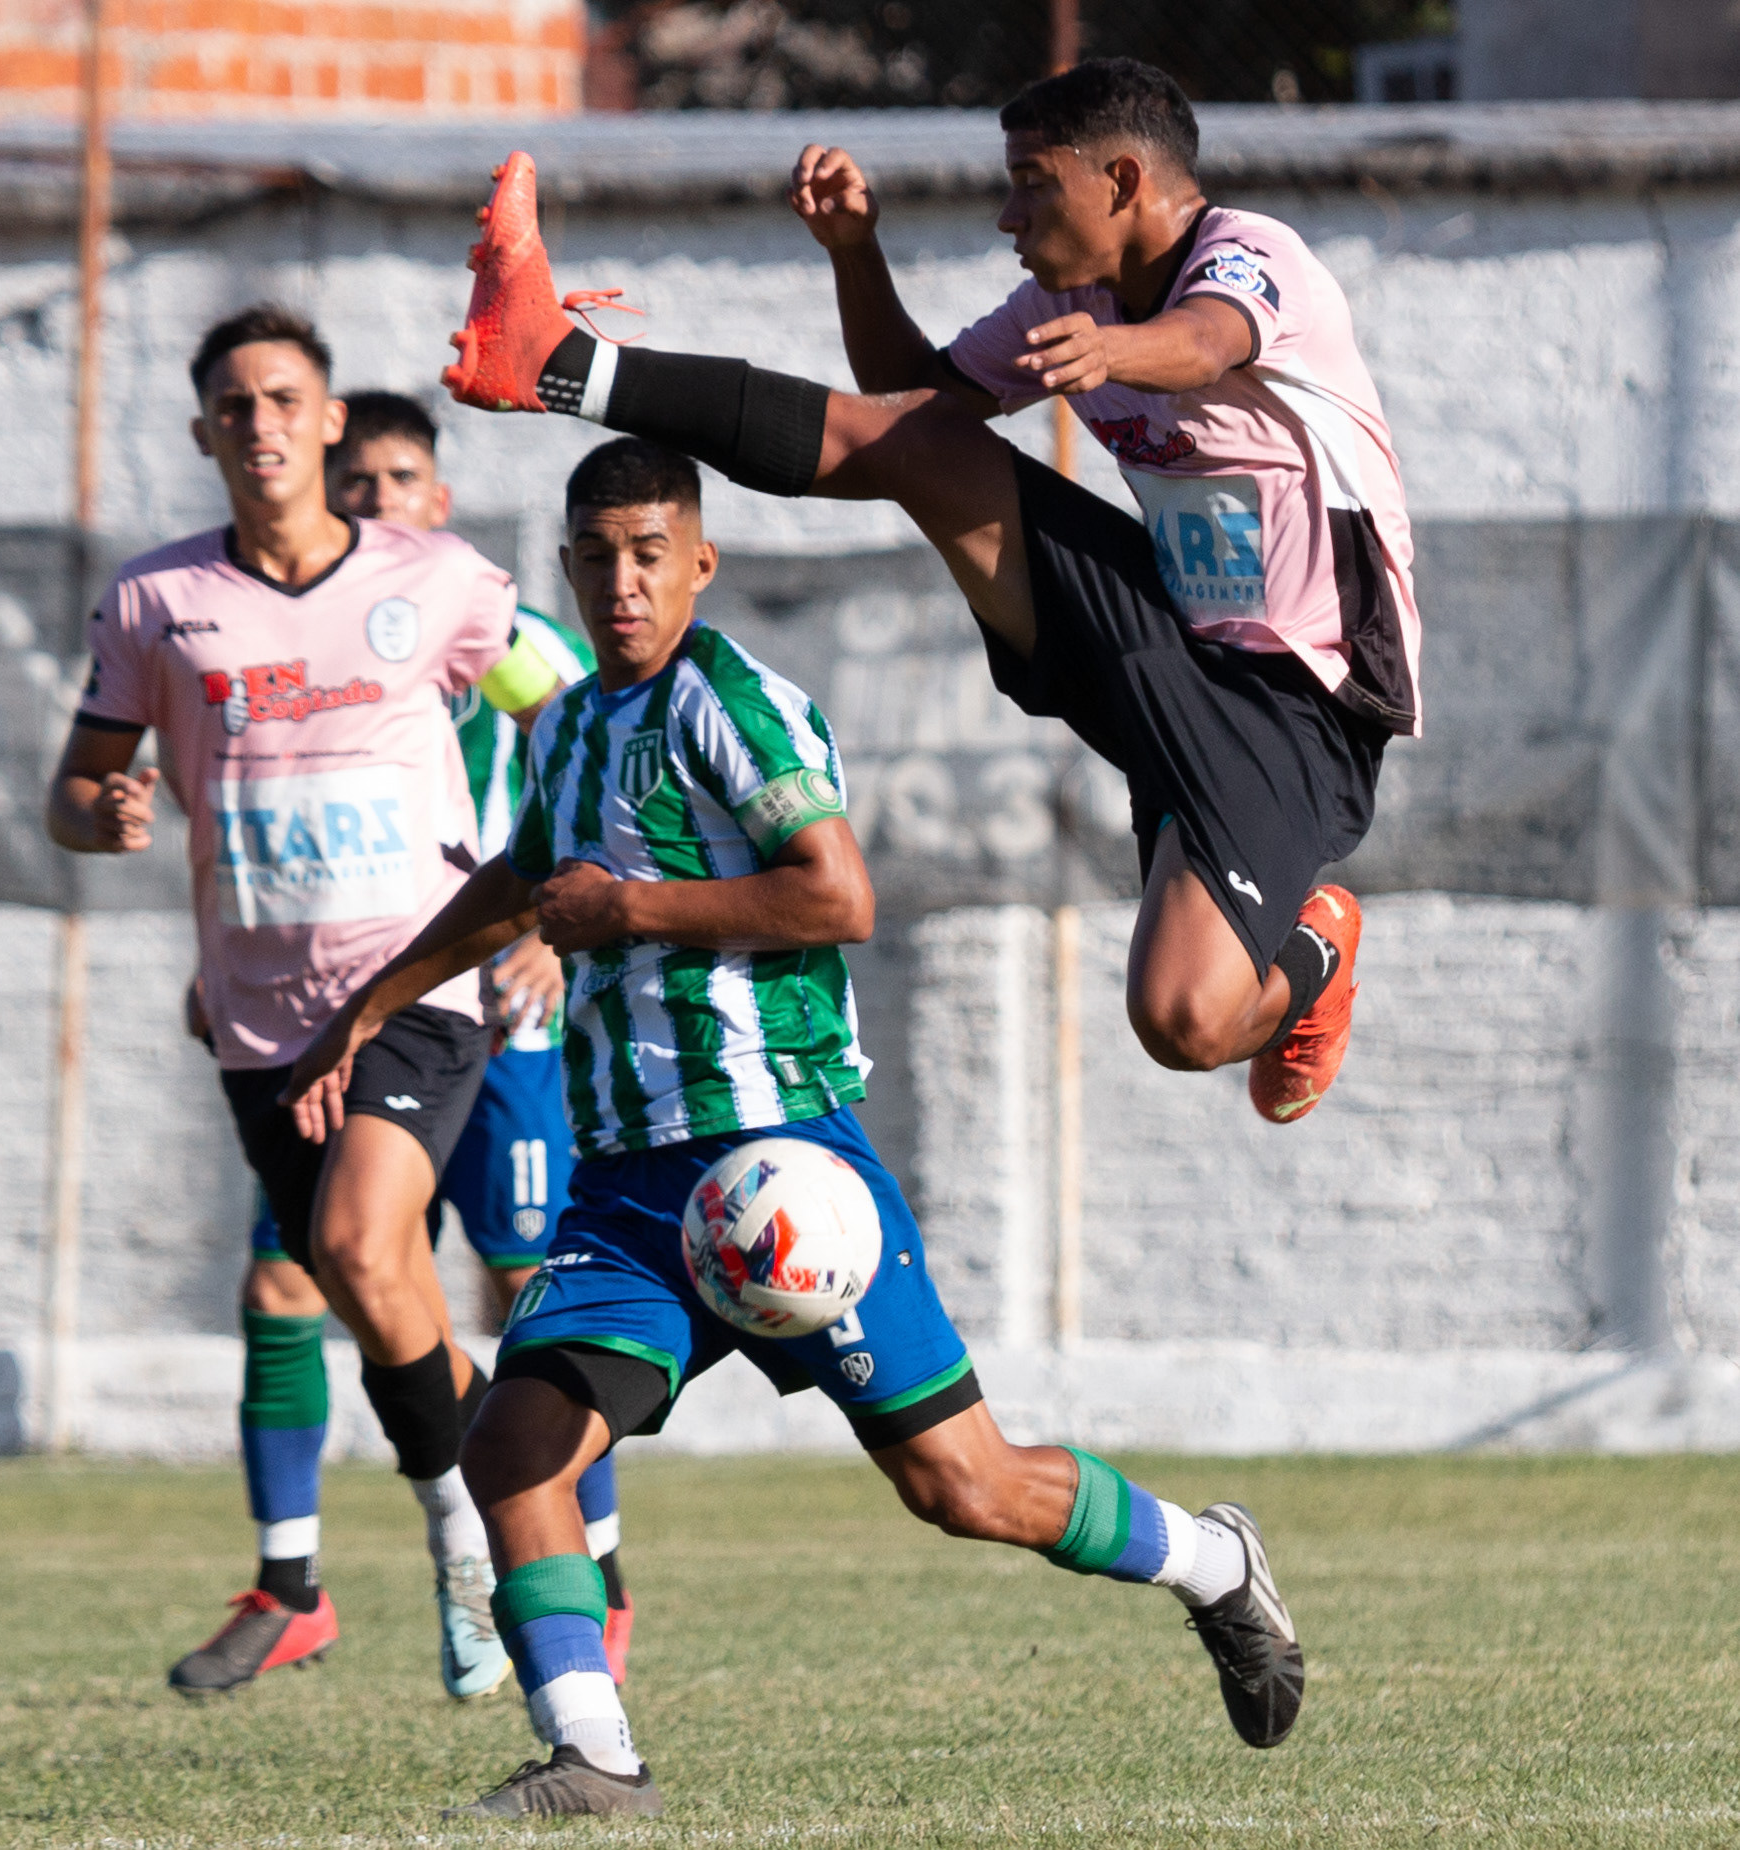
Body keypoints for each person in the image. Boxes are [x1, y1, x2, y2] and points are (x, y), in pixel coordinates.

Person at [279, 438, 1306, 1822]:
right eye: (597, 557)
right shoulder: (570, 723)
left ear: (699, 560)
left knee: (963, 1483)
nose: (623, 582)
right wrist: (368, 1004)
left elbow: (837, 897)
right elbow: (531, 880)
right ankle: (596, 1759)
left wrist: (626, 910)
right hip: (633, 1192)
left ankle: (1208, 1558)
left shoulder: (738, 705)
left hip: (786, 1168)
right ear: (570, 569)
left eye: (650, 554)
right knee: (511, 1446)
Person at [439, 55, 1422, 1126]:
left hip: (1293, 700)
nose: (1008, 215)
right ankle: (559, 365)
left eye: (1031, 183)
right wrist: (856, 256)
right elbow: (909, 409)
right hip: (1162, 634)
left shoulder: (1248, 255)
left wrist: (1117, 350)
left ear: (1124, 181)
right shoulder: (1069, 299)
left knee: (1181, 1022)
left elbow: (1206, 341)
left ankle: (1313, 951)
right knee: (923, 446)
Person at [45, 304, 570, 1700]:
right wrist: (103, 811)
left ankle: (500, 1544)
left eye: (285, 397)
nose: (261, 421)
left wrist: (570, 891)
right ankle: (459, 1509)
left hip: (418, 982)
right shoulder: (157, 604)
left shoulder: (439, 581)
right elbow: (77, 786)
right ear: (206, 431)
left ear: (330, 420)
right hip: (256, 1012)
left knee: (351, 1235)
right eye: (234, 404)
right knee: (359, 1276)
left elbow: (565, 704)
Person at [191, 388, 635, 1685]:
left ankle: (588, 1578)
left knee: (524, 1293)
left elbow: (583, 742)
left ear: (436, 501)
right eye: (361, 481)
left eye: (400, 481)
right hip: (349, 1012)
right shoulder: (310, 644)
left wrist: (550, 927)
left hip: (498, 1009)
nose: (379, 501)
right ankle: (294, 1585)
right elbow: (263, 822)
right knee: (304, 1274)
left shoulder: (481, 631)